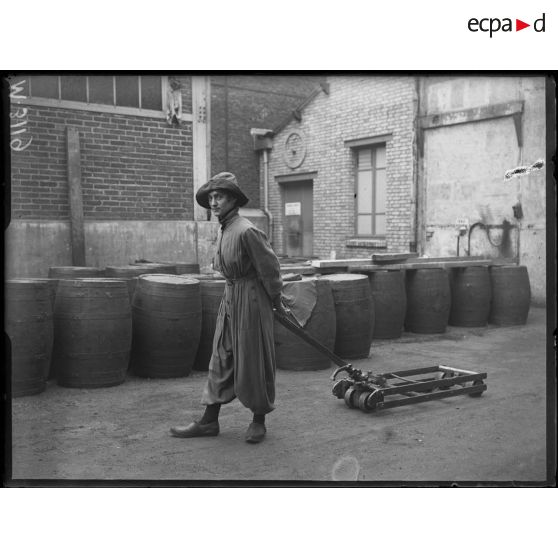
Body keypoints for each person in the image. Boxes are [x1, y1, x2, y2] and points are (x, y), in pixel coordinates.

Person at [170, 172, 284, 443]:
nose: (213, 202)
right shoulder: (224, 229)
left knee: (254, 359)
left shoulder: (248, 231)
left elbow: (270, 270)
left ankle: (259, 420)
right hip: (230, 296)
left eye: (218, 196)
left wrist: (276, 300)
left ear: (233, 199)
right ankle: (209, 421)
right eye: (210, 197)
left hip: (253, 300)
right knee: (220, 355)